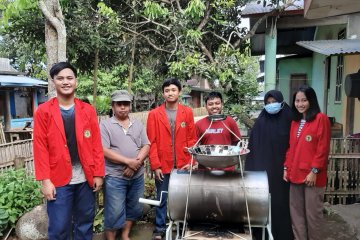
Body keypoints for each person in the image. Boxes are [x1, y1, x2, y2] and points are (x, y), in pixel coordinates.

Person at [33, 62, 104, 240]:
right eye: (60, 78)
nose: (65, 82)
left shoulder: (87, 110)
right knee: (59, 228)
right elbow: (40, 148)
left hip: (85, 178)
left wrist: (98, 174)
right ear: (54, 82)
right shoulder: (43, 112)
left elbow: (96, 144)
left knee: (85, 224)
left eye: (69, 78)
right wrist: (45, 181)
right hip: (58, 180)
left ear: (76, 81)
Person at [147, 78, 197, 240]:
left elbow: (192, 139)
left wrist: (192, 161)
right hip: (163, 163)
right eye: (167, 90)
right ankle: (160, 228)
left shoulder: (187, 112)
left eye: (173, 90)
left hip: (183, 163)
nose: (170, 93)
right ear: (163, 93)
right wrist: (155, 165)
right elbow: (151, 142)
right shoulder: (154, 114)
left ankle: (182, 226)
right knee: (162, 197)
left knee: (183, 197)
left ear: (179, 92)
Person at [100, 90, 150, 240]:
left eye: (126, 104)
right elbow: (104, 150)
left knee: (135, 207)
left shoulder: (137, 124)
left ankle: (125, 235)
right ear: (113, 106)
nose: (123, 107)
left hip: (137, 175)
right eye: (119, 104)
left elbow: (146, 145)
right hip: (115, 176)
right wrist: (129, 162)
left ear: (130, 106)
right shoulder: (105, 125)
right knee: (114, 210)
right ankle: (110, 238)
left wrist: (136, 162)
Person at [283, 85, 331, 240]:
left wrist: (314, 171)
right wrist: (286, 167)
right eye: (297, 100)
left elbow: (322, 148)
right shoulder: (295, 122)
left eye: (304, 100)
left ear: (311, 100)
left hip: (313, 177)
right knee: (296, 215)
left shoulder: (320, 119)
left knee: (313, 216)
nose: (300, 104)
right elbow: (291, 148)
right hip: (295, 174)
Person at [245, 90, 294, 240]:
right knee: (262, 203)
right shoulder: (261, 120)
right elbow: (252, 146)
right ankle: (262, 234)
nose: (271, 105)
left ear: (282, 102)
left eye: (274, 102)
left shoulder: (290, 119)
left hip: (283, 173)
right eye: (268, 103)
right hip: (263, 173)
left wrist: (288, 166)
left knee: (281, 204)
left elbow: (294, 146)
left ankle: (283, 235)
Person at [195, 91, 241, 170]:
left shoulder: (230, 122)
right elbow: (194, 145)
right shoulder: (199, 124)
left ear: (222, 104)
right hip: (205, 170)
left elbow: (238, 143)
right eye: (210, 104)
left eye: (217, 103)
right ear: (205, 106)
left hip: (227, 169)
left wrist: (231, 160)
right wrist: (203, 161)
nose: (214, 106)